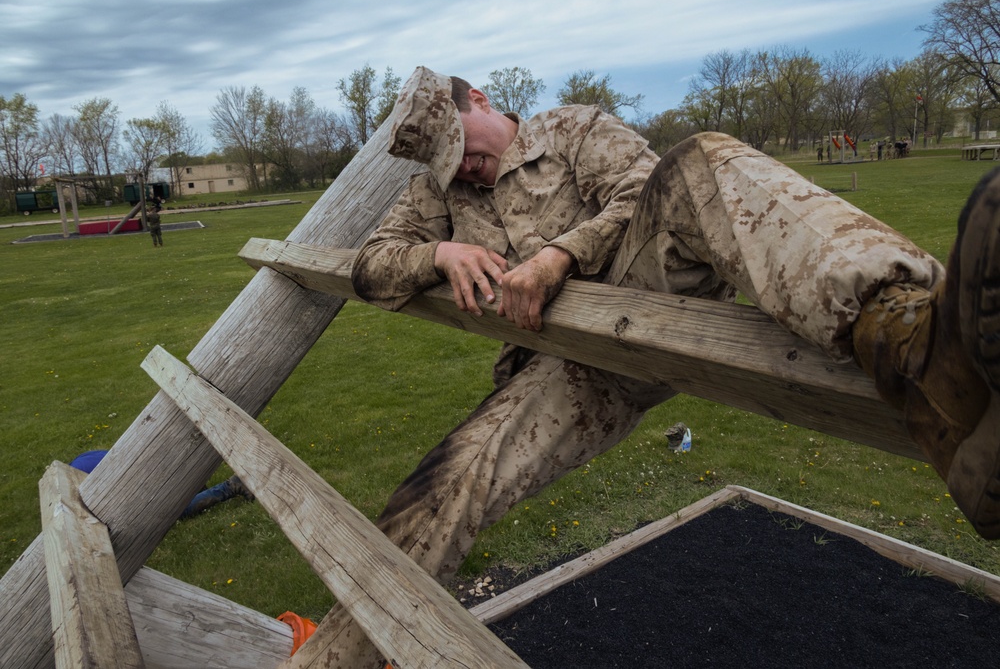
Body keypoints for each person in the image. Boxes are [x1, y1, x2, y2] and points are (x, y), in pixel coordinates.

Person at [325, 66, 1000, 665]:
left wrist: (559, 257)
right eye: (448, 165)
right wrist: (437, 256)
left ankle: (920, 345)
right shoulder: (438, 197)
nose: (464, 169)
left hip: (648, 287)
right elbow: (370, 265)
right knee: (440, 486)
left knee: (699, 163)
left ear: (479, 98)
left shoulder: (573, 129)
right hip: (562, 368)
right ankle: (333, 660)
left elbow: (642, 188)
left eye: (464, 149)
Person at [69, 450, 254, 519]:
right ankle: (193, 485)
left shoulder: (81, 483)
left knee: (170, 514)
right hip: (156, 462)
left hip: (148, 478)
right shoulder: (80, 460)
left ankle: (231, 486)